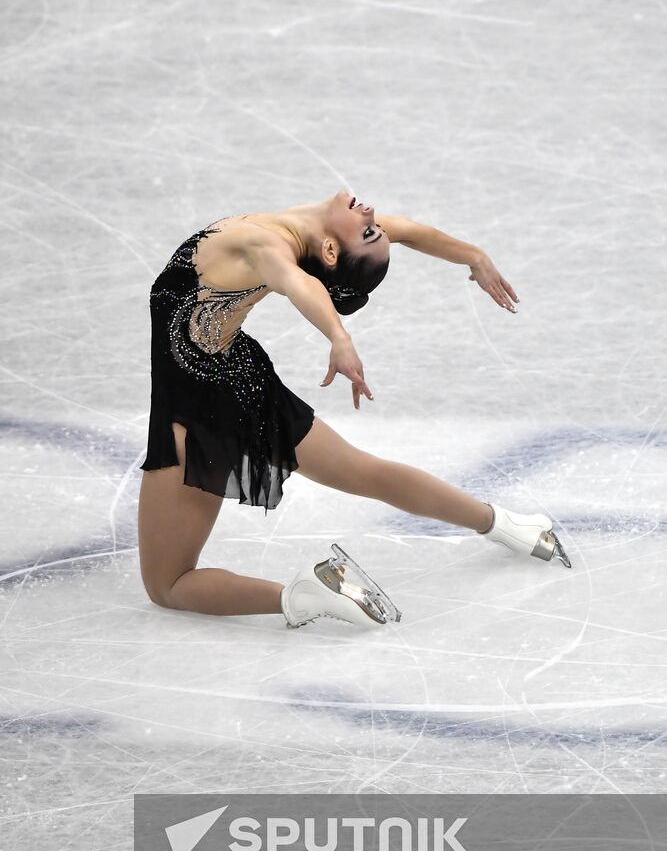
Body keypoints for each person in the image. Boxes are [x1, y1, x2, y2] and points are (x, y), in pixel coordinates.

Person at [138, 189, 570, 630]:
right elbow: (409, 231)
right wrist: (472, 255)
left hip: (196, 404)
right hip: (238, 376)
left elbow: (299, 283)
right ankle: (508, 526)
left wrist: (339, 338)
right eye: (373, 229)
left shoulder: (262, 245)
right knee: (364, 471)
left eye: (368, 231)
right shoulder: (299, 232)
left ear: (329, 249)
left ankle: (304, 595)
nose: (371, 214)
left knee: (168, 584)